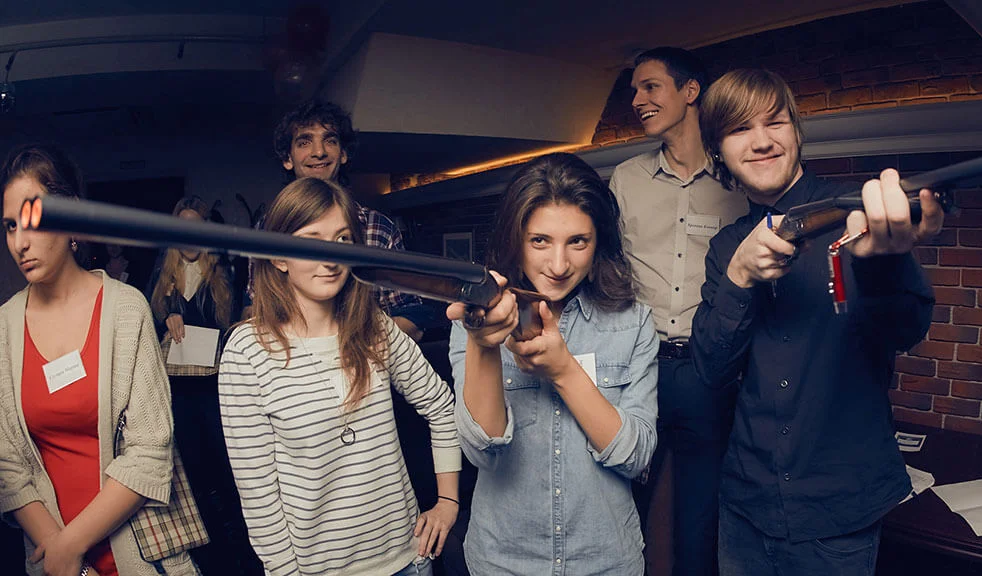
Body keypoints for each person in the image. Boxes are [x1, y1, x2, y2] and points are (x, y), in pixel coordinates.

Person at [692, 69, 944, 575]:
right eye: (740, 128)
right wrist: (740, 276)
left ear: (796, 131)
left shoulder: (856, 214)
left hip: (839, 513)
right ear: (718, 150)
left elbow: (906, 330)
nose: (762, 141)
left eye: (775, 122)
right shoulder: (726, 247)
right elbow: (712, 370)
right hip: (744, 506)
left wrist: (885, 262)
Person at [219, 177, 461, 575]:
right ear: (278, 257)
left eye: (342, 240)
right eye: (311, 240)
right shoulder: (247, 350)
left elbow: (441, 406)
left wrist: (448, 501)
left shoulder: (375, 328)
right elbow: (258, 493)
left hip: (408, 561)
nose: (330, 258)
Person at [447, 153, 658, 575]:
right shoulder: (475, 321)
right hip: (504, 562)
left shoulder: (632, 322)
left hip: (605, 561)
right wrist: (483, 345)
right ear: (515, 241)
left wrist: (563, 372)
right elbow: (482, 452)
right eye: (540, 241)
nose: (559, 266)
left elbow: (636, 457)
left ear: (599, 244)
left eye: (578, 242)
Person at [0, 143, 199, 576]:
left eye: (32, 220)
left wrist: (71, 545)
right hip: (49, 557)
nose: (19, 242)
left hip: (138, 555)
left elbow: (150, 450)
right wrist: (58, 553)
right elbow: (7, 464)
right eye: (10, 226)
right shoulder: (4, 327)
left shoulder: (126, 309)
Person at [609, 46, 748, 576]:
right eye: (634, 91)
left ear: (691, 91)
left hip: (708, 371)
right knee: (621, 503)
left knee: (700, 518)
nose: (637, 100)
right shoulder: (626, 178)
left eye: (650, 87)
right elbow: (607, 269)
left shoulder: (738, 180)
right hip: (636, 366)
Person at [147, 196, 260, 575]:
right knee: (194, 473)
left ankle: (247, 553)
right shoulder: (162, 276)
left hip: (215, 386)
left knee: (226, 468)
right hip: (179, 389)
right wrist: (167, 316)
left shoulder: (222, 273)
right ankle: (214, 558)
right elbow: (147, 325)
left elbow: (230, 325)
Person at [262, 99, 432, 340]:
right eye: (304, 142)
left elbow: (412, 315)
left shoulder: (378, 228)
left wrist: (354, 346)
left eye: (330, 140)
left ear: (343, 154)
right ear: (287, 158)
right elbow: (255, 305)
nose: (319, 152)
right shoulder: (268, 228)